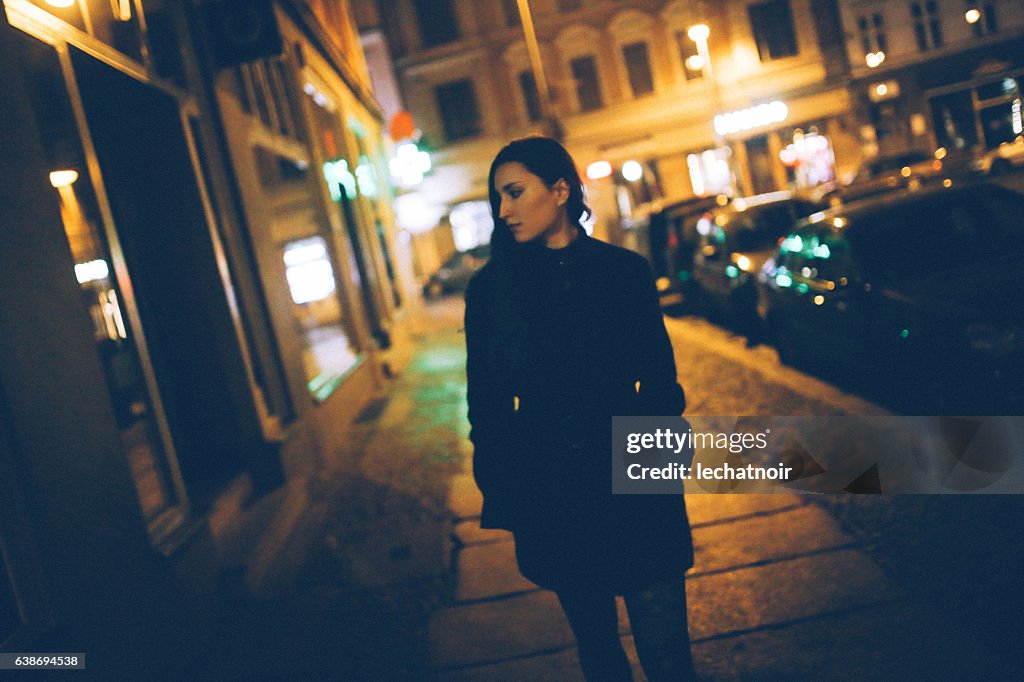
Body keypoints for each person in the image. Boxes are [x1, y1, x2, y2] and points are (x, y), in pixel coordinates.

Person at [465, 136, 696, 681]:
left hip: (633, 473)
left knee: (668, 655)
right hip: (555, 484)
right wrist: (507, 485)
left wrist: (658, 468)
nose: (504, 211)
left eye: (516, 193)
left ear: (561, 189)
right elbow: (488, 403)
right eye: (498, 198)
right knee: (599, 652)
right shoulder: (493, 289)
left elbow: (661, 385)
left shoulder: (623, 272)